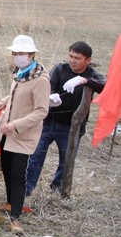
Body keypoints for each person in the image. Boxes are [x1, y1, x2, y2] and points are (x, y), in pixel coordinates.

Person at [26, 41, 106, 195]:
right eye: (70, 56)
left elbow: (104, 86)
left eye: (77, 58)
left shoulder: (92, 74)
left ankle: (58, 190)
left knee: (66, 161)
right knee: (35, 156)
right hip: (49, 122)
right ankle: (27, 188)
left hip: (73, 127)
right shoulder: (60, 69)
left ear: (88, 60)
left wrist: (84, 81)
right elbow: (49, 86)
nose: (72, 60)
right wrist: (50, 98)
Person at [0, 35, 50, 234]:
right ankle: (10, 203)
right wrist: (4, 100)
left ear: (31, 55)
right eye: (15, 53)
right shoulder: (20, 73)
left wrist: (16, 125)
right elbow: (17, 93)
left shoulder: (40, 79)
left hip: (22, 133)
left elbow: (42, 110)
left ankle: (16, 217)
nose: (17, 56)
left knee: (18, 174)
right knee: (7, 168)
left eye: (21, 53)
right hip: (7, 131)